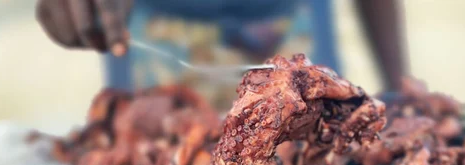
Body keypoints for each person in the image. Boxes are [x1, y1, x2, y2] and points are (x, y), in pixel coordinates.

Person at [36, 0, 408, 109]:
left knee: (313, 151)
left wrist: (398, 82)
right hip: (155, 47)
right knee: (157, 162)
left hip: (294, 28)